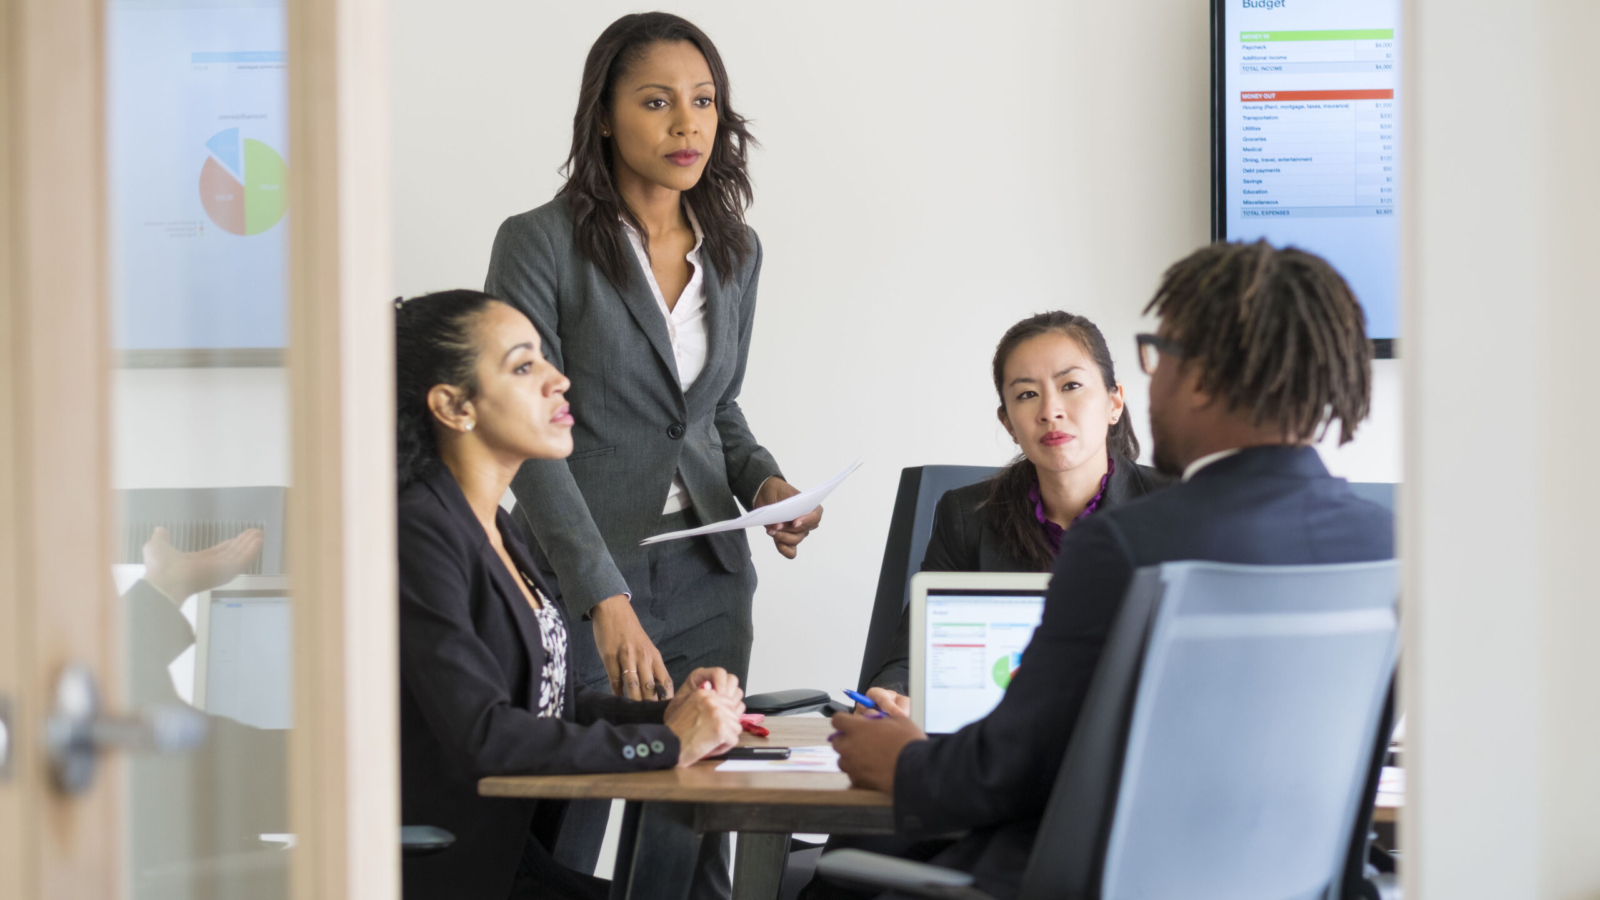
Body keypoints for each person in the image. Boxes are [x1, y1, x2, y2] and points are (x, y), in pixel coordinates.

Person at [825, 241, 1395, 900]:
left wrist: (901, 761)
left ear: (1202, 376)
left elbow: (1008, 769)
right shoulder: (1384, 542)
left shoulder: (1127, 544)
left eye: (1159, 355)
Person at [485, 11, 819, 712]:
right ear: (604, 116)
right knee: (566, 808)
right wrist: (602, 595)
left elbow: (713, 408)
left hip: (709, 576)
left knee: (695, 808)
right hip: (577, 567)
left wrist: (764, 486)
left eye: (703, 100)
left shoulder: (737, 250)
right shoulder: (538, 243)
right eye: (656, 101)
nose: (687, 125)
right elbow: (522, 432)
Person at [394, 290, 746, 900]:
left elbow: (546, 702)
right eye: (525, 366)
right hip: (454, 872)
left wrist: (670, 714)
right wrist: (667, 742)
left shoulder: (494, 526)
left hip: (513, 861)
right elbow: (487, 734)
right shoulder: (418, 531)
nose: (560, 380)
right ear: (452, 405)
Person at [866, 311, 1170, 698]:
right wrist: (888, 693)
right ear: (1008, 423)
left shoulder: (1175, 505)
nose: (1050, 411)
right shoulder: (966, 516)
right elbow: (913, 656)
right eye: (1027, 394)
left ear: (1114, 403)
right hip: (1005, 741)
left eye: (1071, 385)